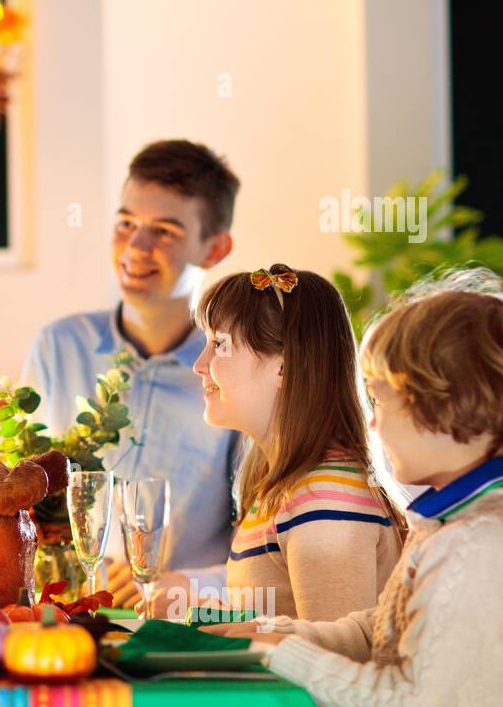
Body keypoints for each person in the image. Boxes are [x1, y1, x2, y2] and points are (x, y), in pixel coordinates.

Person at [211, 271, 503, 707]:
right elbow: (379, 631)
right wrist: (273, 633)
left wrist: (285, 655)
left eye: (382, 403)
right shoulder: (449, 524)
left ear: (446, 410)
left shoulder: (478, 548)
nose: (373, 424)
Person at [20, 140, 241, 605]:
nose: (136, 247)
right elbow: (21, 496)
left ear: (215, 248)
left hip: (175, 628)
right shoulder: (58, 347)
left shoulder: (237, 370)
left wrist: (184, 584)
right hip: (60, 615)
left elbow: (267, 548)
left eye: (164, 231)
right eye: (126, 223)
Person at [173, 263, 403, 623]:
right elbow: (285, 624)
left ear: (284, 367)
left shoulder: (325, 495)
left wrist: (204, 623)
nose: (200, 365)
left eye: (220, 345)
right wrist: (204, 617)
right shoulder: (288, 487)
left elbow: (332, 660)